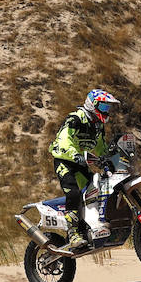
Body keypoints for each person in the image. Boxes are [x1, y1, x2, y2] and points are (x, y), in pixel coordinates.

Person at [48, 89, 120, 248]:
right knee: (73, 193)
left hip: (81, 162)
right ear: (93, 105)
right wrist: (75, 155)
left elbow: (101, 147)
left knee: (94, 190)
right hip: (64, 160)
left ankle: (90, 225)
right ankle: (73, 233)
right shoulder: (76, 119)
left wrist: (110, 160)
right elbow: (64, 139)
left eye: (108, 108)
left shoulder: (98, 125)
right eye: (104, 107)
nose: (107, 111)